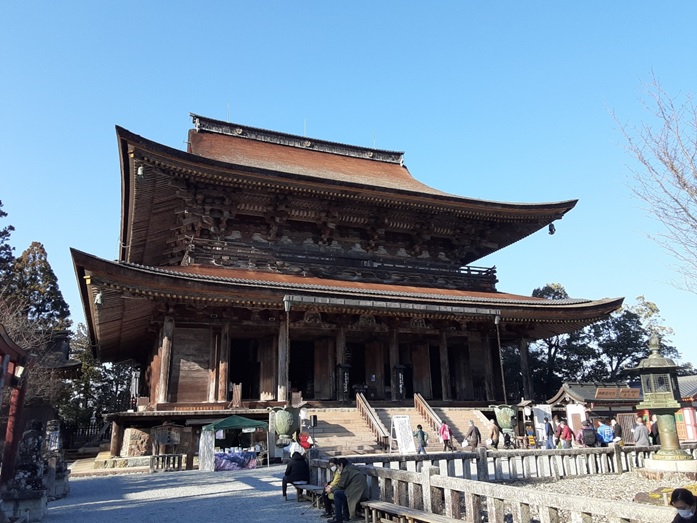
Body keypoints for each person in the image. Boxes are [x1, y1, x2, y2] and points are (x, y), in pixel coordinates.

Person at [328, 458, 370, 523]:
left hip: (357, 495)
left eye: (338, 467)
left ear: (341, 465)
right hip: (363, 494)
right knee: (343, 494)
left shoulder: (346, 471)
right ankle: (345, 516)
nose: (338, 469)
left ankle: (338, 518)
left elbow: (341, 485)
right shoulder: (353, 469)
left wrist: (331, 490)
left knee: (337, 494)